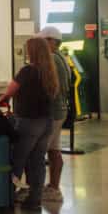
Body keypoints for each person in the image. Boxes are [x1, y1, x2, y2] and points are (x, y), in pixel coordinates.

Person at [0, 37, 59, 211]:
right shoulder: (49, 72)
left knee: (17, 160)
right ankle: (35, 200)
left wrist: (1, 100)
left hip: (29, 121)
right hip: (46, 122)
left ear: (32, 52)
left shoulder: (27, 71)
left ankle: (6, 198)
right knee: (37, 161)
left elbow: (10, 91)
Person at [39, 27, 71, 203]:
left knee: (40, 152)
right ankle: (53, 187)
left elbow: (49, 86)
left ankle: (39, 190)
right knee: (54, 149)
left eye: (43, 41)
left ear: (51, 41)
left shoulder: (51, 58)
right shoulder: (61, 57)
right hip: (61, 109)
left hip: (53, 111)